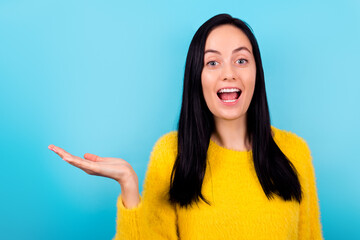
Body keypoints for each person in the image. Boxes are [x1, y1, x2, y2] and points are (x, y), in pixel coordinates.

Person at [48, 13, 324, 240]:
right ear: (197, 77)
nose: (229, 73)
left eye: (241, 60)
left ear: (257, 73)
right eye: (213, 62)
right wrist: (129, 186)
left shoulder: (294, 152)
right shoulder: (171, 154)